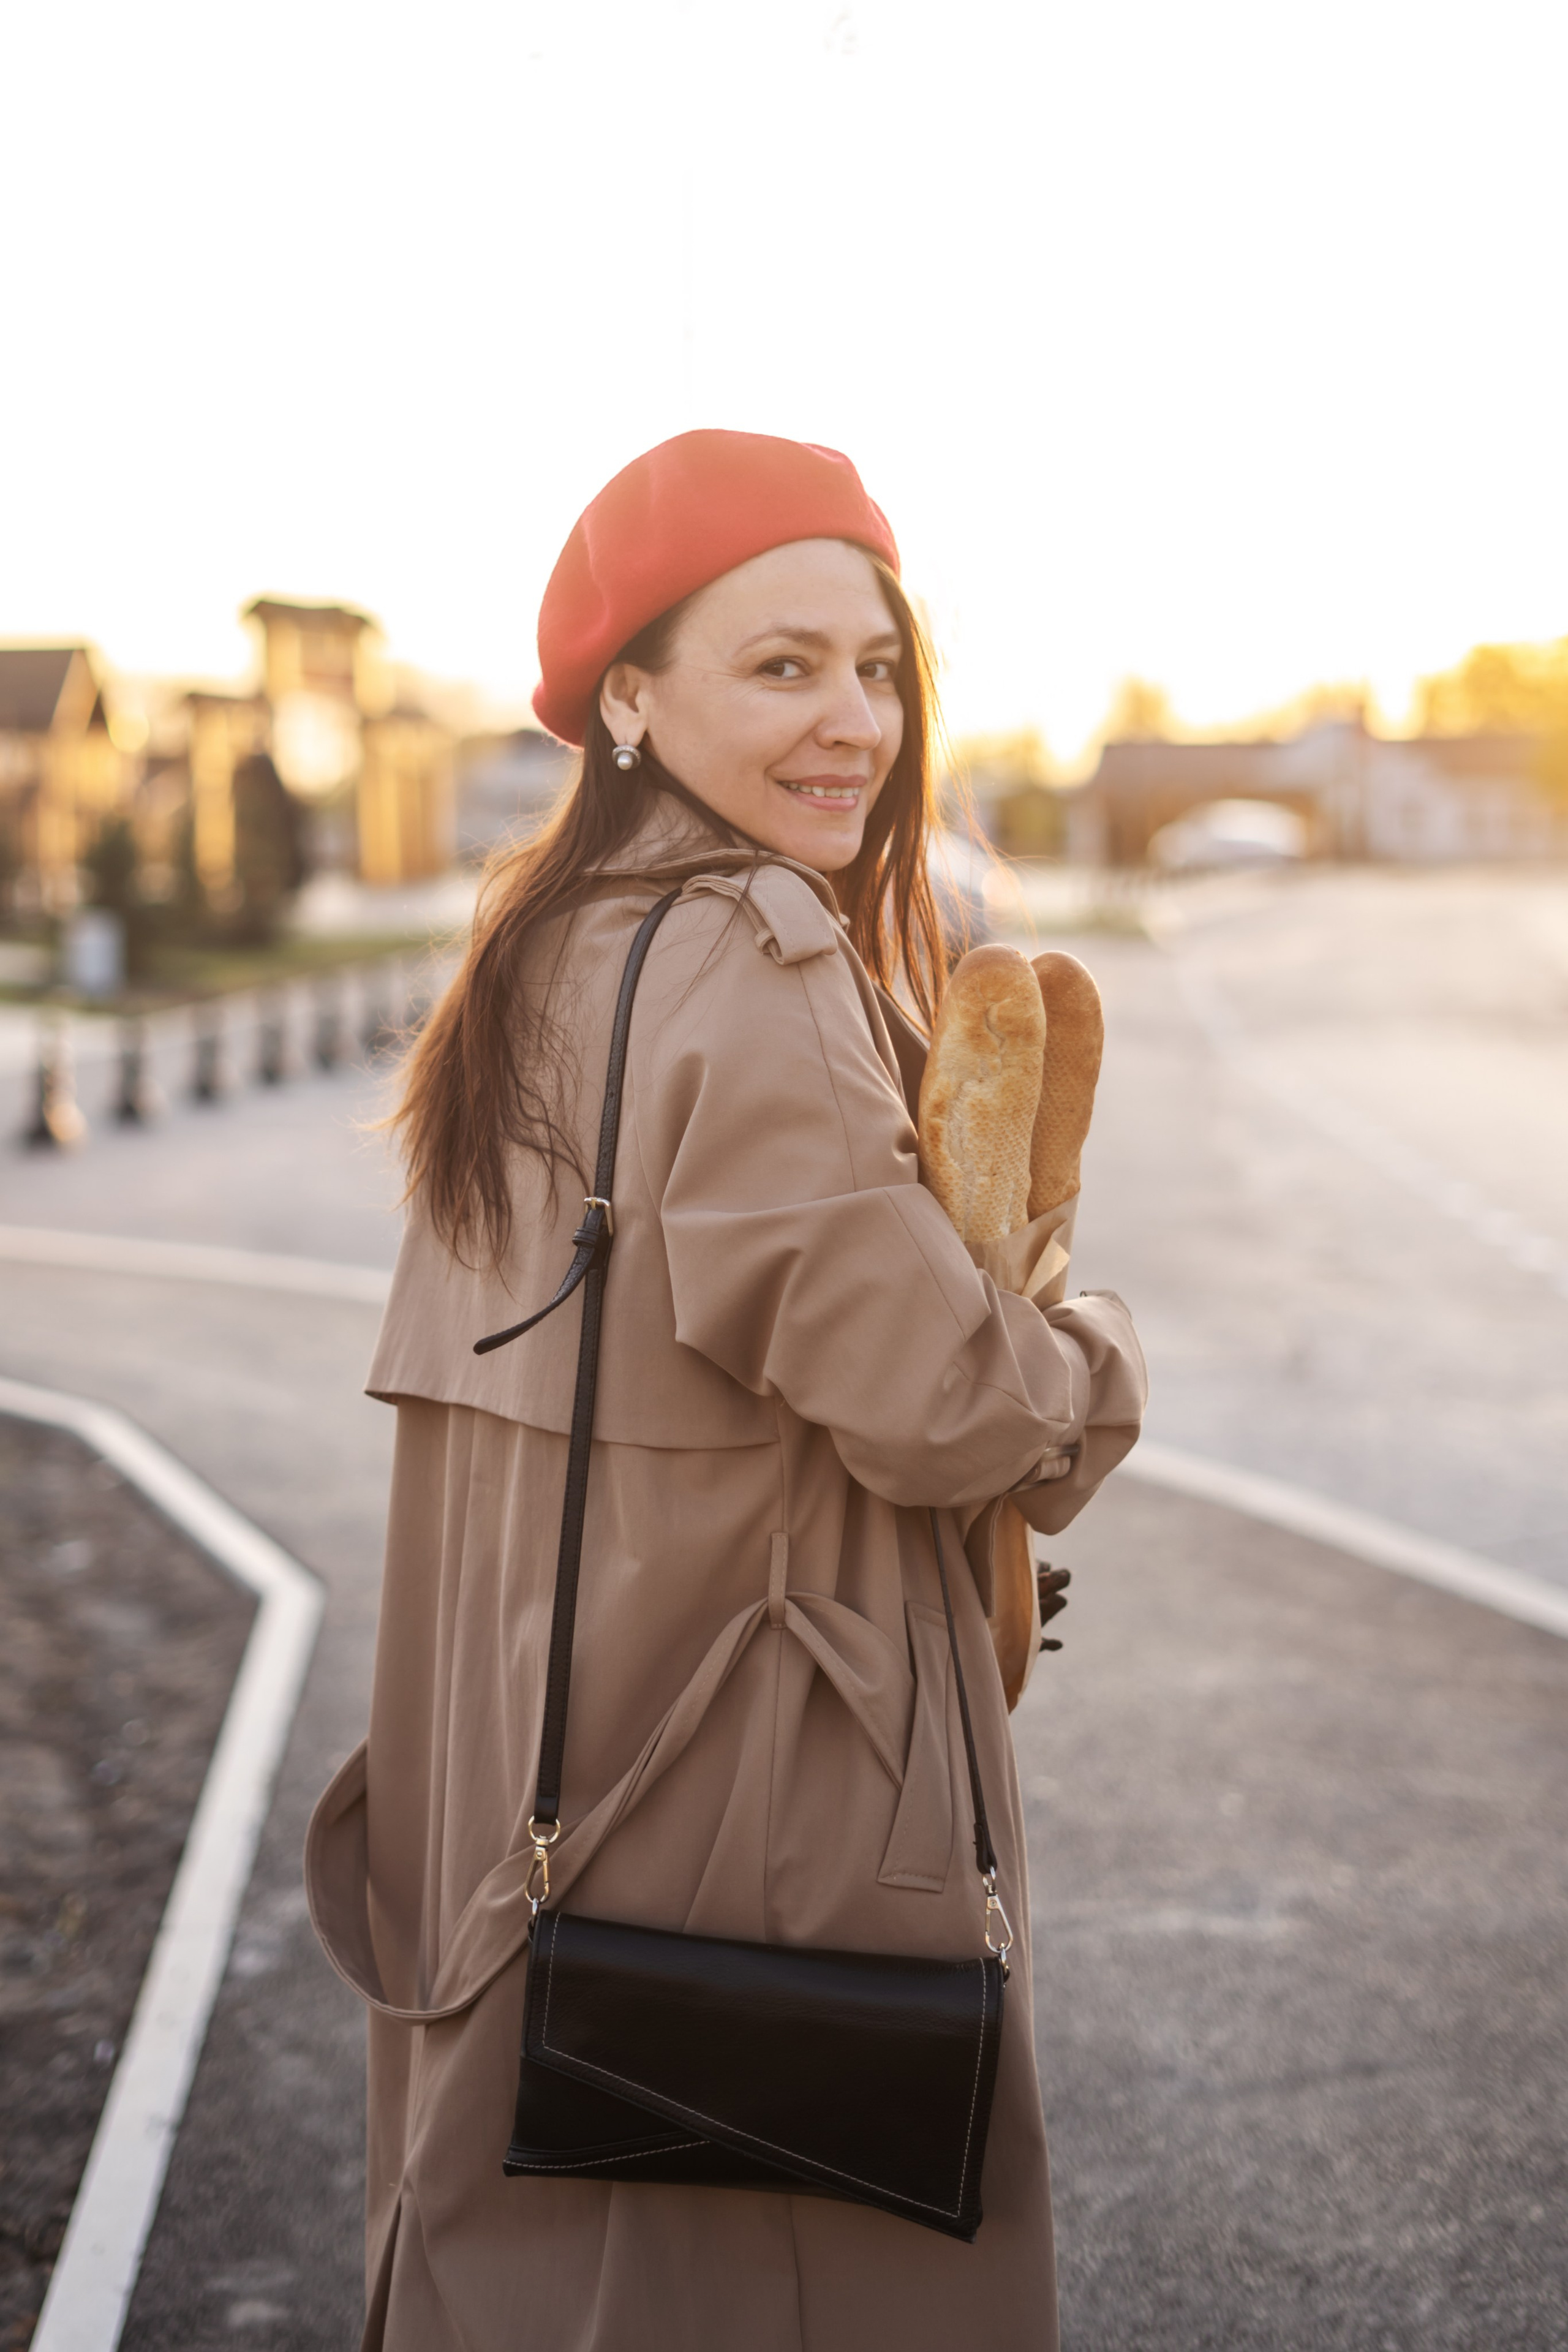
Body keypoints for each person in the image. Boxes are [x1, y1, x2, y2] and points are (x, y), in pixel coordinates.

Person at [306, 428, 1147, 2351]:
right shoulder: (754, 966)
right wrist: (1103, 1357)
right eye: (780, 668)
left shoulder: (539, 953)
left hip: (535, 1775)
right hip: (739, 1825)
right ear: (628, 695)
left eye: (874, 667)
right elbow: (955, 1408)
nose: (850, 719)